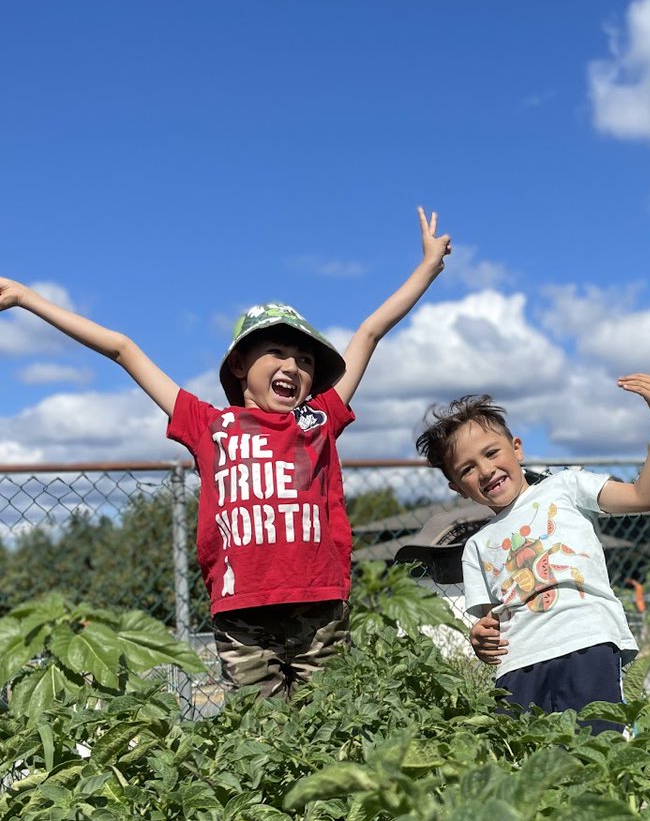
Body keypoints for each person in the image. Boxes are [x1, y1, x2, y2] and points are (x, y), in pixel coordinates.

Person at [0, 207, 452, 698]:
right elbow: (122, 348)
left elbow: (368, 332)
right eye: (277, 353)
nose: (293, 367)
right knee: (262, 737)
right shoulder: (209, 425)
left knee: (332, 726)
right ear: (239, 364)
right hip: (241, 610)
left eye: (304, 360)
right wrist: (27, 298)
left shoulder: (318, 418)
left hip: (319, 603)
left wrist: (427, 266)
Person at [415, 379, 650, 732]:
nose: (486, 470)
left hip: (586, 642)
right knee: (528, 767)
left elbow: (644, 496)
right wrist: (479, 638)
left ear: (517, 448)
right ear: (457, 487)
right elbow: (487, 623)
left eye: (491, 453)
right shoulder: (476, 545)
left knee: (600, 752)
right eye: (467, 469)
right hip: (518, 667)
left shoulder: (565, 486)